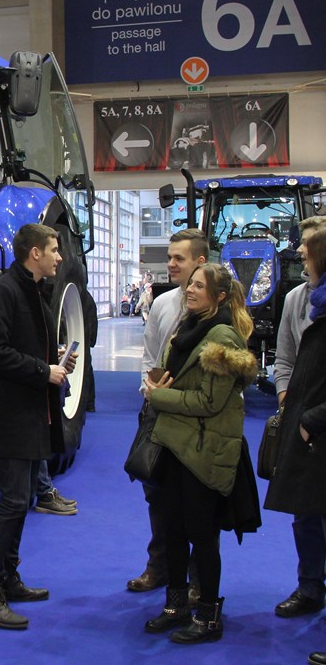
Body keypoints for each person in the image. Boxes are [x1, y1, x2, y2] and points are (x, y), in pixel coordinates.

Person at [0, 223, 75, 629]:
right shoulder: (3, 292)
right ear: (35, 253)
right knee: (13, 501)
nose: (59, 257)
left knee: (22, 498)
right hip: (8, 417)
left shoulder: (31, 290)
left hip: (28, 414)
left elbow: (22, 345)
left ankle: (7, 579)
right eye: (54, 249)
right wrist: (43, 370)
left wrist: (56, 359)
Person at [142, 262, 257, 644]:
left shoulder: (222, 338)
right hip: (176, 446)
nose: (190, 290)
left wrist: (159, 396)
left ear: (220, 296)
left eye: (199, 286)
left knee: (202, 535)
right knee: (174, 530)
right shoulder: (188, 328)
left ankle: (208, 616)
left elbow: (209, 402)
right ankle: (175, 606)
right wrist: (159, 384)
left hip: (204, 452)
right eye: (190, 284)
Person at [128, 229, 208, 594]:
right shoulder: (161, 304)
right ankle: (158, 566)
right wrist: (149, 392)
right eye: (170, 257)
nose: (171, 264)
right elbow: (149, 357)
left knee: (198, 502)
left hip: (197, 421)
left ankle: (199, 580)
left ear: (200, 262)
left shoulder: (217, 311)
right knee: (156, 494)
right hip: (157, 414)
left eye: (179, 258)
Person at [265, 225, 326, 619]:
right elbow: (285, 357)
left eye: (307, 247)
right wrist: (288, 400)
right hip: (305, 426)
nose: (300, 253)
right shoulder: (298, 299)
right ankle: (310, 588)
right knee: (304, 513)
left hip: (317, 422)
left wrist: (311, 418)